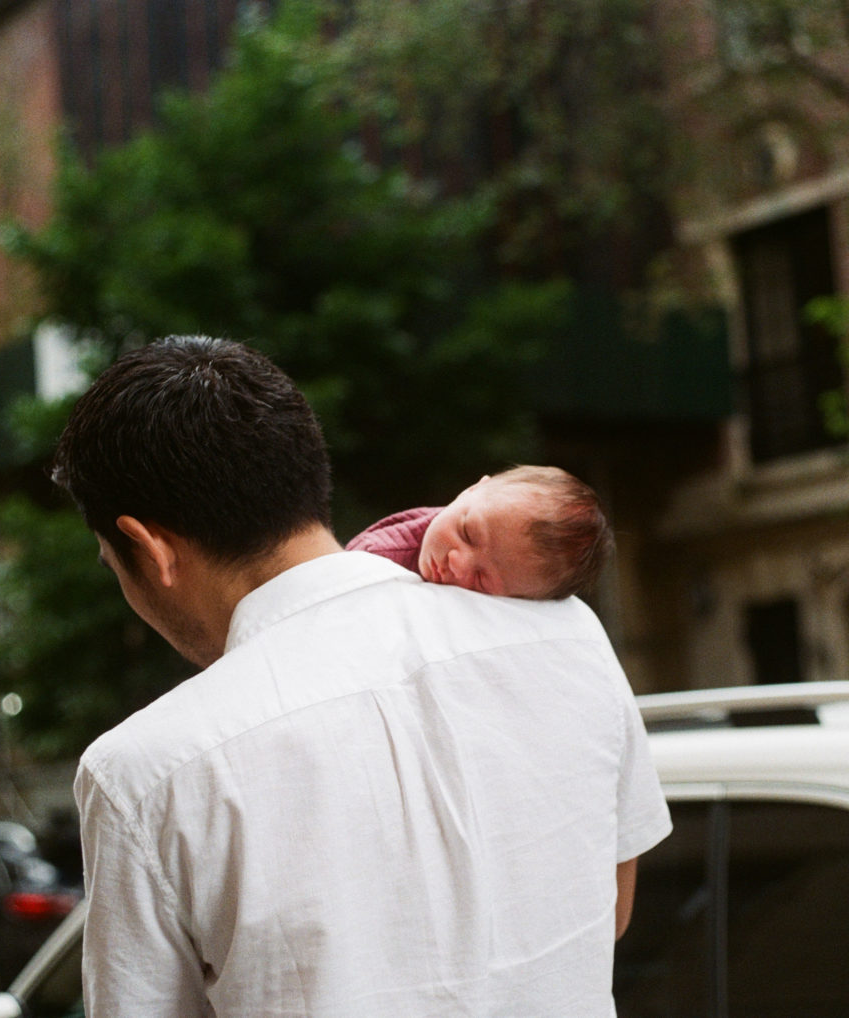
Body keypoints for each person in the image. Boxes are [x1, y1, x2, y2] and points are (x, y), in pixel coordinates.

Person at [53, 336, 671, 1018]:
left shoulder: (142, 774)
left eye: (113, 564)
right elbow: (610, 911)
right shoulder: (568, 633)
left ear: (150, 549)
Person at [344, 466, 612, 600]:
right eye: (466, 533)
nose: (456, 562)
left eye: (481, 579)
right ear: (471, 489)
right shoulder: (374, 561)